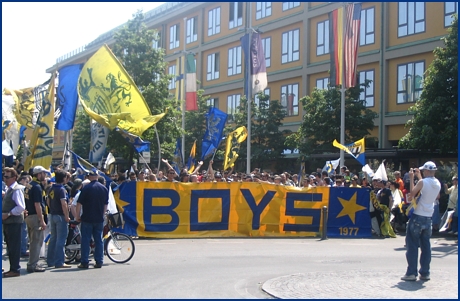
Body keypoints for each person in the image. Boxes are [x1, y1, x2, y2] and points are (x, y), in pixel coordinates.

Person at [401, 161, 441, 281]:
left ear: (427, 171)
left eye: (424, 171)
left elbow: (411, 195)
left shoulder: (422, 182)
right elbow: (435, 195)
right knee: (426, 246)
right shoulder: (437, 183)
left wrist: (412, 178)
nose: (423, 172)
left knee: (412, 245)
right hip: (428, 216)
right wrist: (419, 177)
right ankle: (425, 272)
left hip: (418, 215)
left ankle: (411, 273)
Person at [76, 169, 108, 269]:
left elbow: (79, 203)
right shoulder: (104, 188)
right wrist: (102, 215)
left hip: (87, 218)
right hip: (98, 218)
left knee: (85, 240)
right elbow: (105, 205)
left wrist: (77, 216)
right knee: (98, 240)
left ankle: (84, 262)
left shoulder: (86, 188)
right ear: (97, 177)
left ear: (89, 176)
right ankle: (99, 261)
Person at [24, 166, 49, 273]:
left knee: (32, 240)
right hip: (35, 216)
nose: (45, 175)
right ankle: (32, 264)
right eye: (44, 173)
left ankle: (32, 262)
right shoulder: (37, 187)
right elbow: (38, 205)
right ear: (39, 174)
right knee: (36, 241)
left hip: (29, 216)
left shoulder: (29, 185)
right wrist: (42, 220)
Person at [2, 167, 26, 278]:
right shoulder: (9, 189)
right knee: (10, 247)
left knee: (14, 247)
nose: (4, 178)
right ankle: (12, 268)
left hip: (14, 222)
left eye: (7, 177)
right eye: (4, 176)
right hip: (8, 222)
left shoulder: (16, 189)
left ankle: (15, 269)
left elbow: (21, 207)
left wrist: (9, 214)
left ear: (14, 178)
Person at [47, 169, 71, 269]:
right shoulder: (62, 189)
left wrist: (52, 209)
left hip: (52, 214)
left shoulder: (51, 188)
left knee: (53, 238)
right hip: (60, 216)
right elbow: (64, 204)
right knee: (61, 239)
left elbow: (48, 201)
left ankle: (50, 260)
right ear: (64, 178)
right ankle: (59, 262)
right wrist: (66, 215)